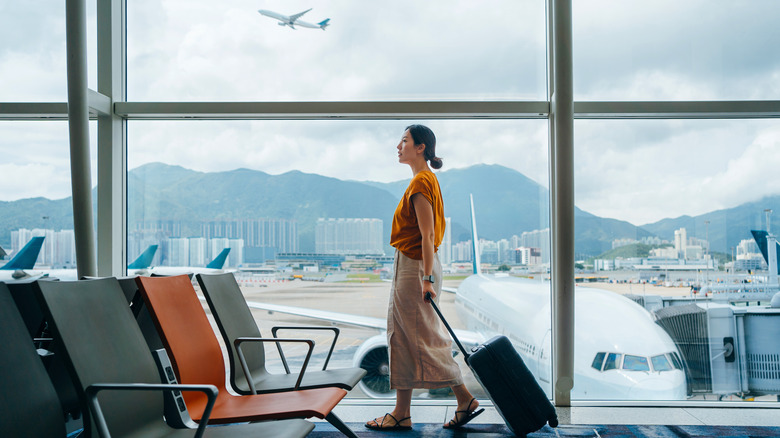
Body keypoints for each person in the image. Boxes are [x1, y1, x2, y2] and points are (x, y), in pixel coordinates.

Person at [365, 125, 484, 431]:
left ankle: (463, 398)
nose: (398, 146)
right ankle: (402, 411)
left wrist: (427, 278)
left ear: (420, 147)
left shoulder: (421, 182)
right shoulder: (425, 180)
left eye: (404, 141)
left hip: (417, 266)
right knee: (403, 336)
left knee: (423, 337)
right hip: (413, 265)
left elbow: (428, 235)